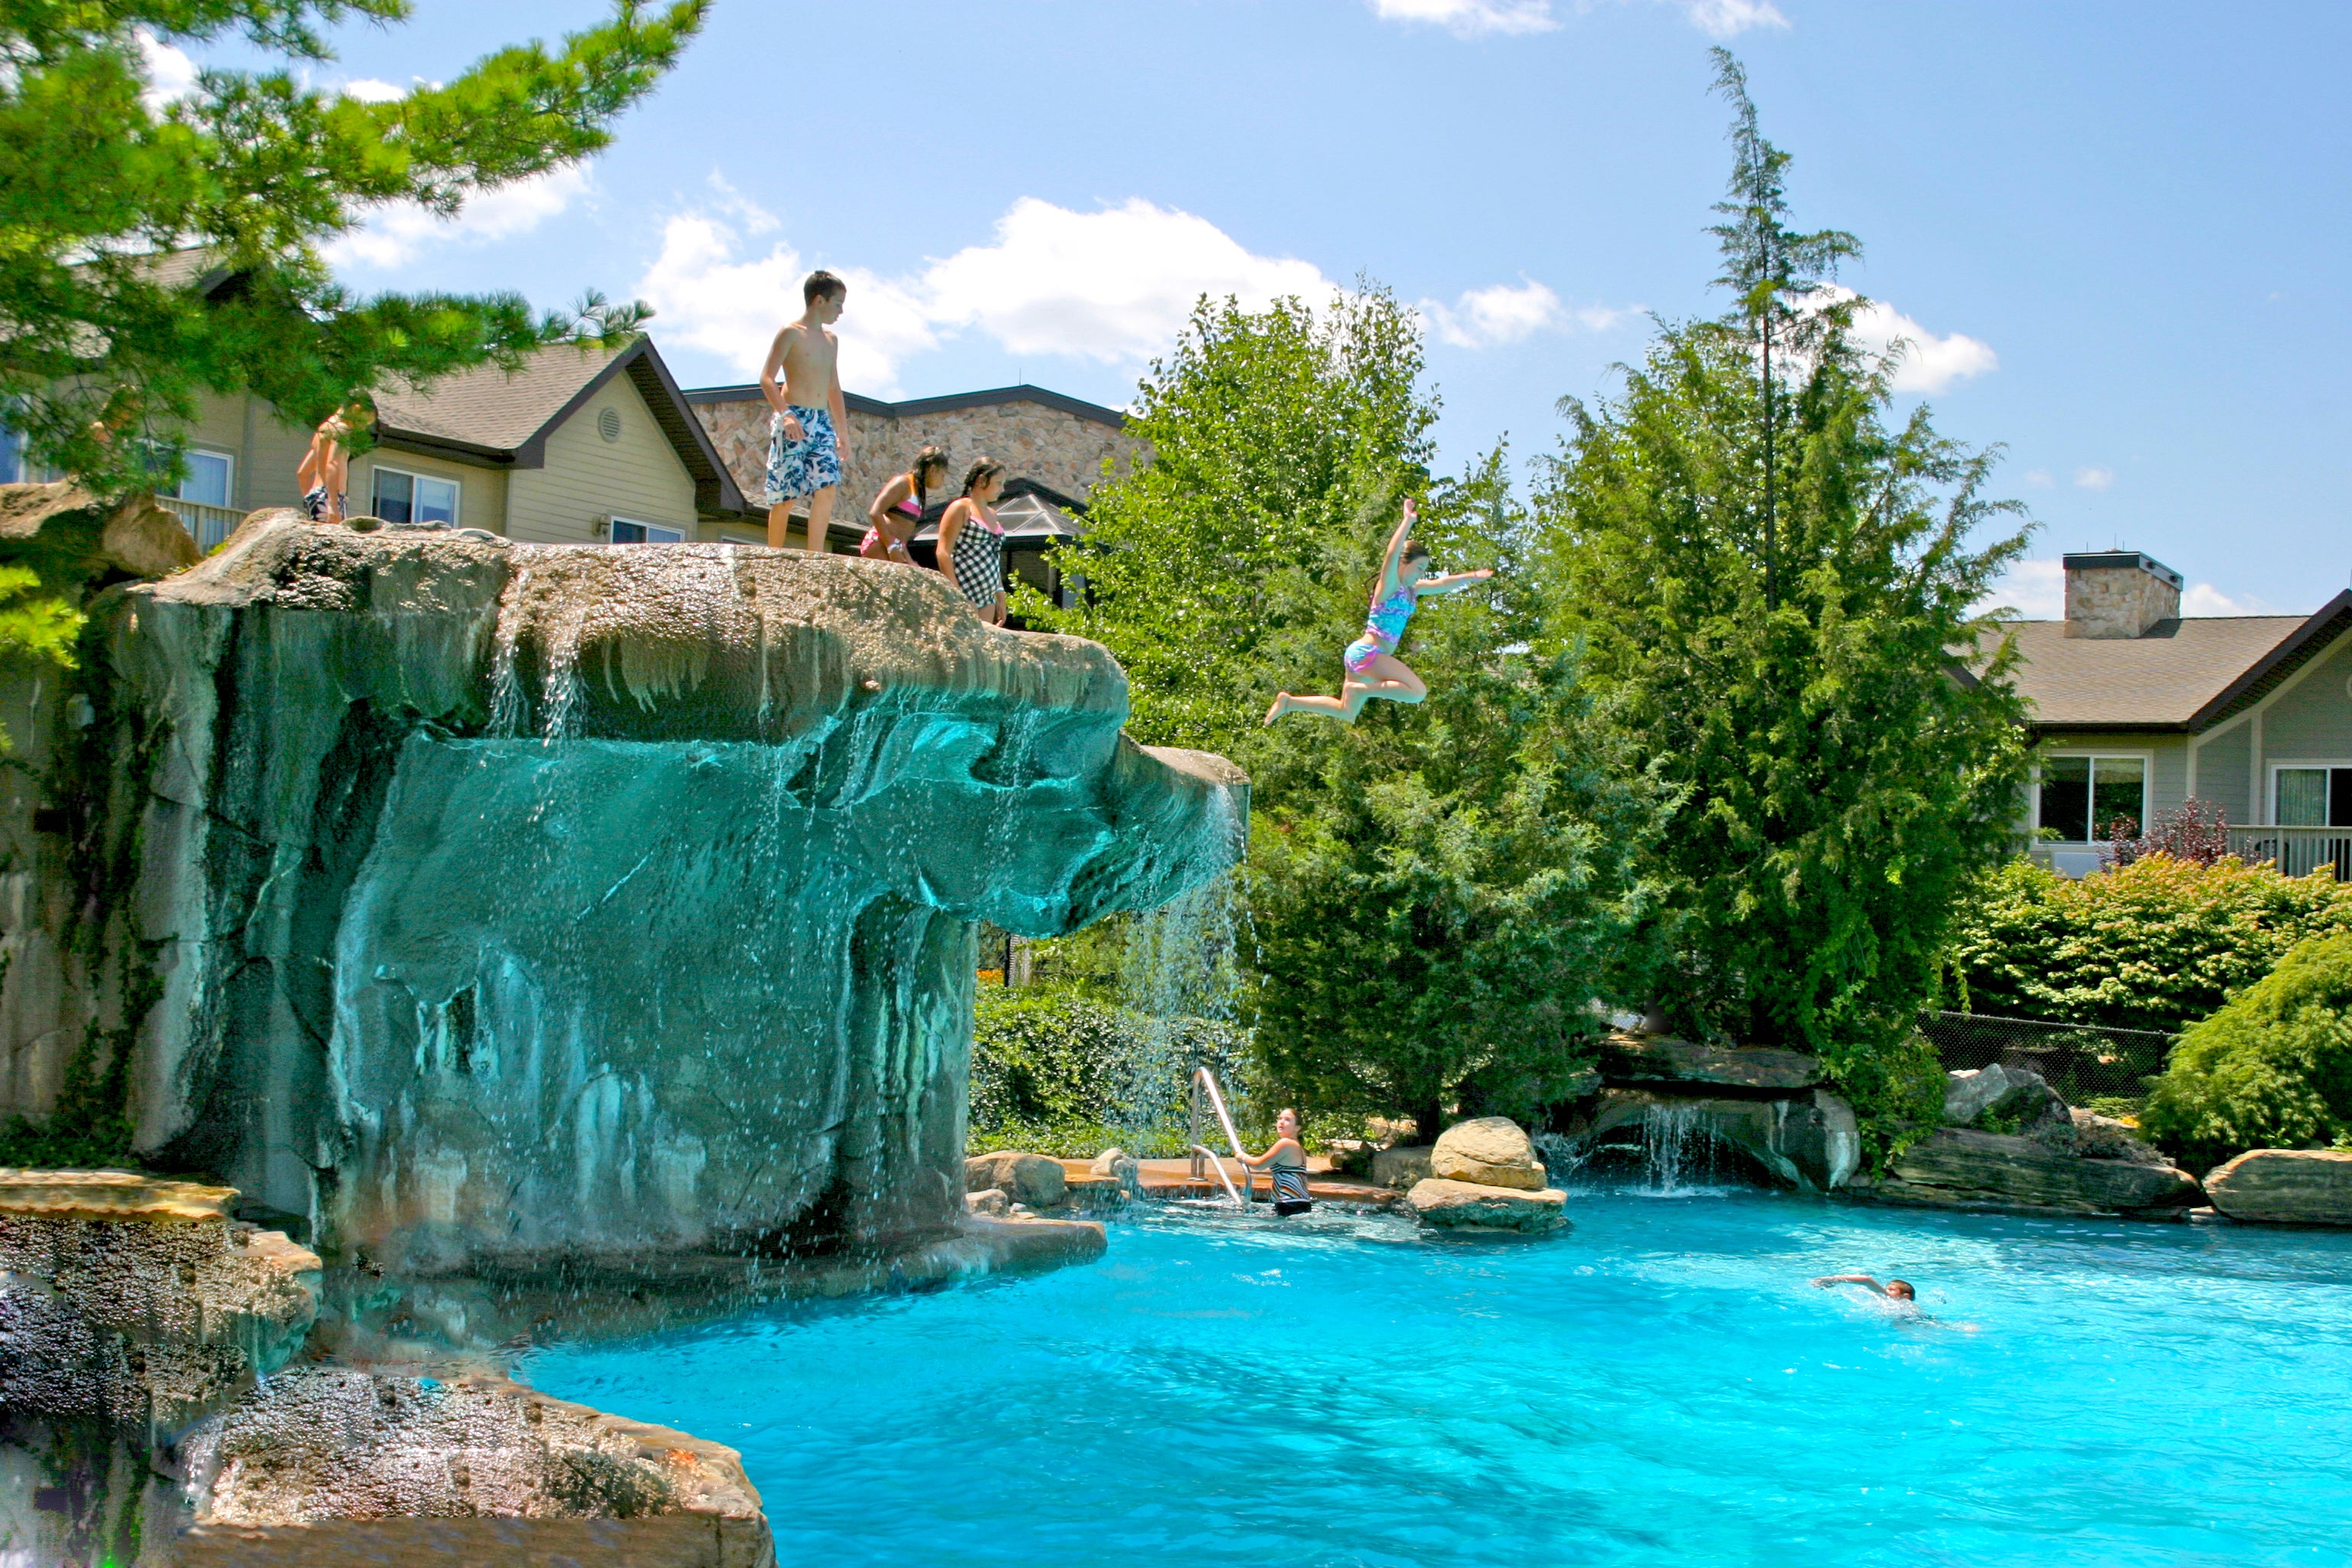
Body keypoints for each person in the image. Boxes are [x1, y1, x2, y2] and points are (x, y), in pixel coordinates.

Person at [1264, 498, 1494, 724]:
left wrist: (1472, 576)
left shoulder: (1413, 589)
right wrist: (1407, 521)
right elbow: (1391, 553)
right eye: (1419, 567)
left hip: (1364, 655)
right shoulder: (1390, 585)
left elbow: (1443, 584)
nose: (1421, 573)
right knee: (1417, 692)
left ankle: (1290, 702)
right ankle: (1361, 690)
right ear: (1404, 564)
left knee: (1346, 711)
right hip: (1369, 652)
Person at [760, 270, 854, 550]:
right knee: (785, 495)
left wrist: (843, 431)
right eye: (837, 303)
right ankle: (773, 555)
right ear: (819, 300)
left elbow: (833, 387)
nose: (841, 311)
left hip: (820, 420)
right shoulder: (791, 333)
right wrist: (785, 413)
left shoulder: (831, 340)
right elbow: (766, 378)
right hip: (794, 417)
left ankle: (815, 556)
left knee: (827, 486)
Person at [936, 457, 1008, 624]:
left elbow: (993, 556)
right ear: (982, 480)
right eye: (998, 483)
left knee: (981, 648)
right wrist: (957, 594)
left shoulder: (992, 513)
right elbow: (943, 552)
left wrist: (1000, 592)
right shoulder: (961, 508)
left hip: (987, 597)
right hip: (965, 590)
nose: (1002, 489)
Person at [296, 390, 372, 525]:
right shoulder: (342, 429)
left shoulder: (325, 429)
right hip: (331, 497)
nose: (363, 427)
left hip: (316, 495)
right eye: (366, 421)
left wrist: (312, 499)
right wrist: (332, 504)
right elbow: (332, 464)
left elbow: (303, 473)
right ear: (356, 409)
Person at [862, 446, 947, 564]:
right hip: (881, 543)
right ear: (932, 469)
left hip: (897, 546)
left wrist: (909, 559)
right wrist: (891, 547)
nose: (942, 481)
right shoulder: (902, 483)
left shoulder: (917, 490)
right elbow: (875, 513)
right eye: (942, 475)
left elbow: (902, 534)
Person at [1243, 1108, 1314, 1217]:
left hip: (1289, 1204)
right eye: (1280, 1118)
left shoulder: (1286, 1143)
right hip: (1300, 1203)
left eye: (1288, 1120)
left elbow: (1259, 1165)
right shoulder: (1298, 1147)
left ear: (1297, 1128)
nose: (1281, 1122)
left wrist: (1243, 1157)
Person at [1812, 1274, 1916, 1303]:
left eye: (1892, 1290)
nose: (1886, 1291)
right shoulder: (1904, 1305)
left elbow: (1866, 1279)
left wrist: (1833, 1279)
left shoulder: (1888, 1297)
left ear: (1905, 1296)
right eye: (1887, 1288)